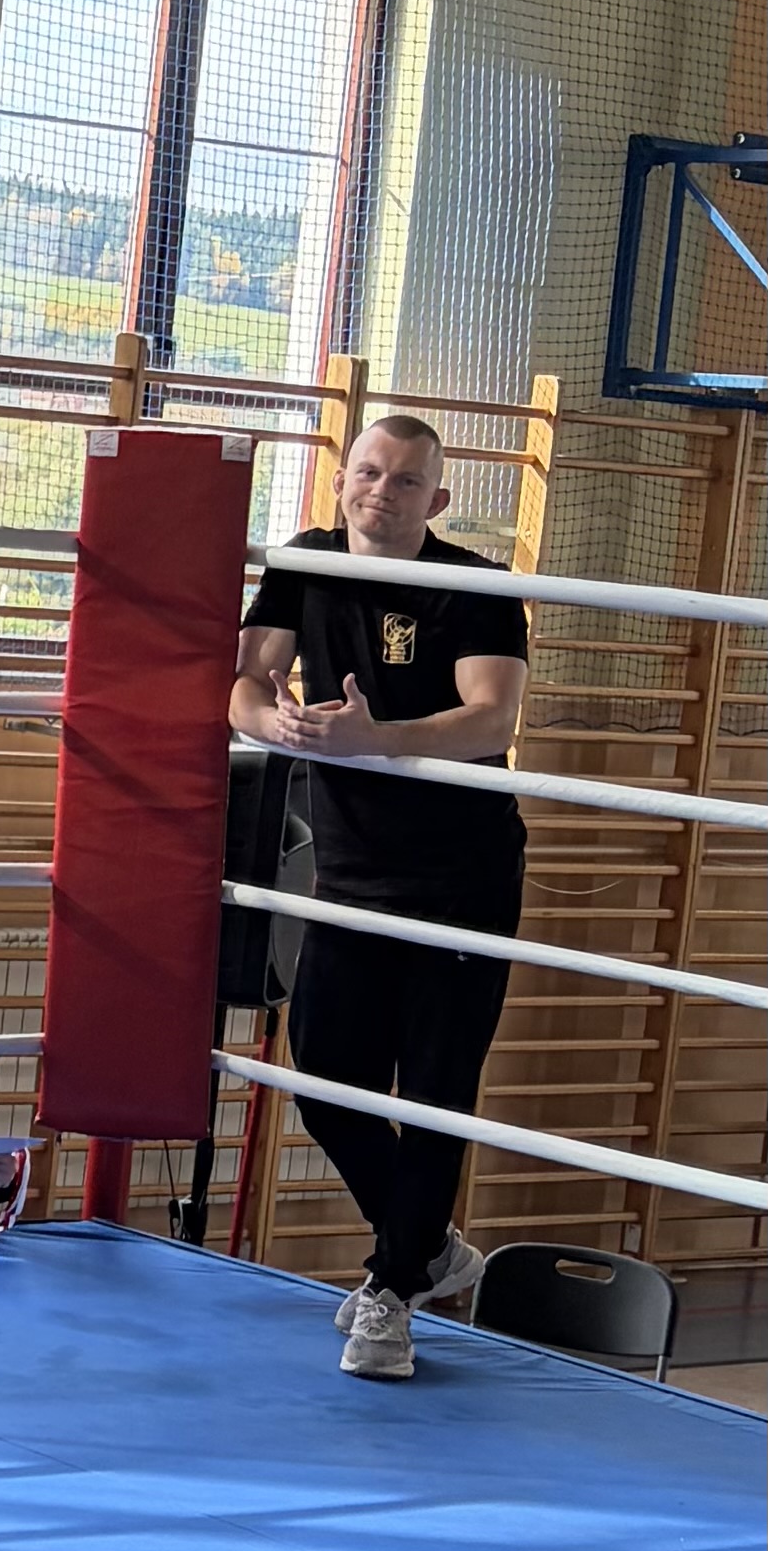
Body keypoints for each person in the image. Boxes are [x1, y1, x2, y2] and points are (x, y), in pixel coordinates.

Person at [232, 407, 528, 1383]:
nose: (381, 492)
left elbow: (490, 718)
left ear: (435, 501)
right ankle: (429, 1249)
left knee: (435, 1089)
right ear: (340, 478)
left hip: (459, 872)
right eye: (368, 472)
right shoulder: (306, 561)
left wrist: (376, 740)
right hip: (350, 868)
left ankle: (393, 1292)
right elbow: (246, 681)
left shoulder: (475, 586)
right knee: (325, 1076)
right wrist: (276, 723)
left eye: (405, 481)